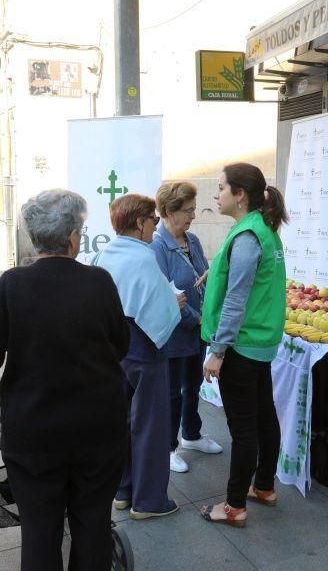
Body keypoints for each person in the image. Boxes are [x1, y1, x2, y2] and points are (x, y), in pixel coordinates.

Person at [0, 189, 130, 571]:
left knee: (39, 530)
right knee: (93, 524)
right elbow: (119, 345)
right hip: (97, 428)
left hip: (33, 430)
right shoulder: (99, 281)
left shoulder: (10, 285)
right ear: (73, 236)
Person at [199, 163, 288, 528]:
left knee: (244, 428)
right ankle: (264, 486)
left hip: (242, 345)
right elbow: (241, 276)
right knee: (264, 415)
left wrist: (218, 352)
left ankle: (234, 506)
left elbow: (236, 300)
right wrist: (214, 270)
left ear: (240, 195)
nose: (214, 194)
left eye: (220, 188)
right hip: (259, 341)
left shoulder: (249, 236)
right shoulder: (260, 230)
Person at [92, 193, 185, 519]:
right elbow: (158, 310)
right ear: (140, 223)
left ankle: (123, 490)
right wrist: (176, 303)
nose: (155, 227)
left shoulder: (105, 253)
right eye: (154, 220)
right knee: (151, 427)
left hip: (114, 352)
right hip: (145, 352)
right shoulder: (143, 257)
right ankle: (148, 501)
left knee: (121, 423)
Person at [150, 182, 222, 473]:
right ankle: (168, 447)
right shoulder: (157, 246)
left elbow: (202, 276)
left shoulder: (191, 240)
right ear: (169, 211)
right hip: (176, 331)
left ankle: (191, 434)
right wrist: (198, 318)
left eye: (193, 209)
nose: (193, 215)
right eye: (188, 210)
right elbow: (167, 294)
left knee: (194, 385)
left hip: (197, 330)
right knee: (172, 392)